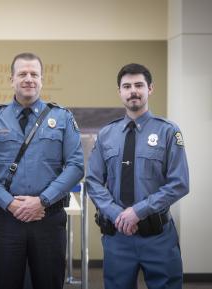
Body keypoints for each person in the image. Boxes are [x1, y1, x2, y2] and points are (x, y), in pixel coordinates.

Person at [0, 52, 84, 289]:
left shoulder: (62, 117)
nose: (28, 79)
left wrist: (41, 201)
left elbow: (75, 166)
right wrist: (11, 204)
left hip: (48, 218)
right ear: (11, 79)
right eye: (22, 73)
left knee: (49, 283)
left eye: (34, 74)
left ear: (42, 80)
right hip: (4, 220)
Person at [86, 63, 189, 289]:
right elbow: (93, 182)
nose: (133, 91)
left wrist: (138, 211)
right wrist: (117, 214)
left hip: (157, 237)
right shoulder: (106, 134)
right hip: (117, 237)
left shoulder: (168, 131)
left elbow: (179, 183)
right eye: (127, 86)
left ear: (150, 89)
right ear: (120, 92)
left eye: (139, 85)